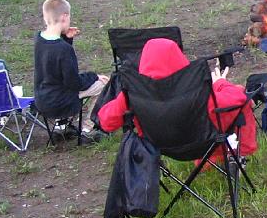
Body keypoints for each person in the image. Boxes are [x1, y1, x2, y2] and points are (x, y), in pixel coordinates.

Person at [98, 38, 257, 159]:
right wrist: (220, 84)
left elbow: (106, 122)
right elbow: (238, 99)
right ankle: (238, 153)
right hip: (201, 144)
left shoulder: (135, 92)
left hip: (158, 146)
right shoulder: (193, 88)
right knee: (238, 95)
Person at [33, 0, 108, 140]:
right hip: (59, 102)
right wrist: (94, 76)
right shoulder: (64, 49)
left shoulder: (39, 39)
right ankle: (88, 129)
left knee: (60, 84)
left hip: (42, 100)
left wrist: (66, 38)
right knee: (103, 84)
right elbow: (74, 83)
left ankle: (61, 126)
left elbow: (54, 62)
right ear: (64, 16)